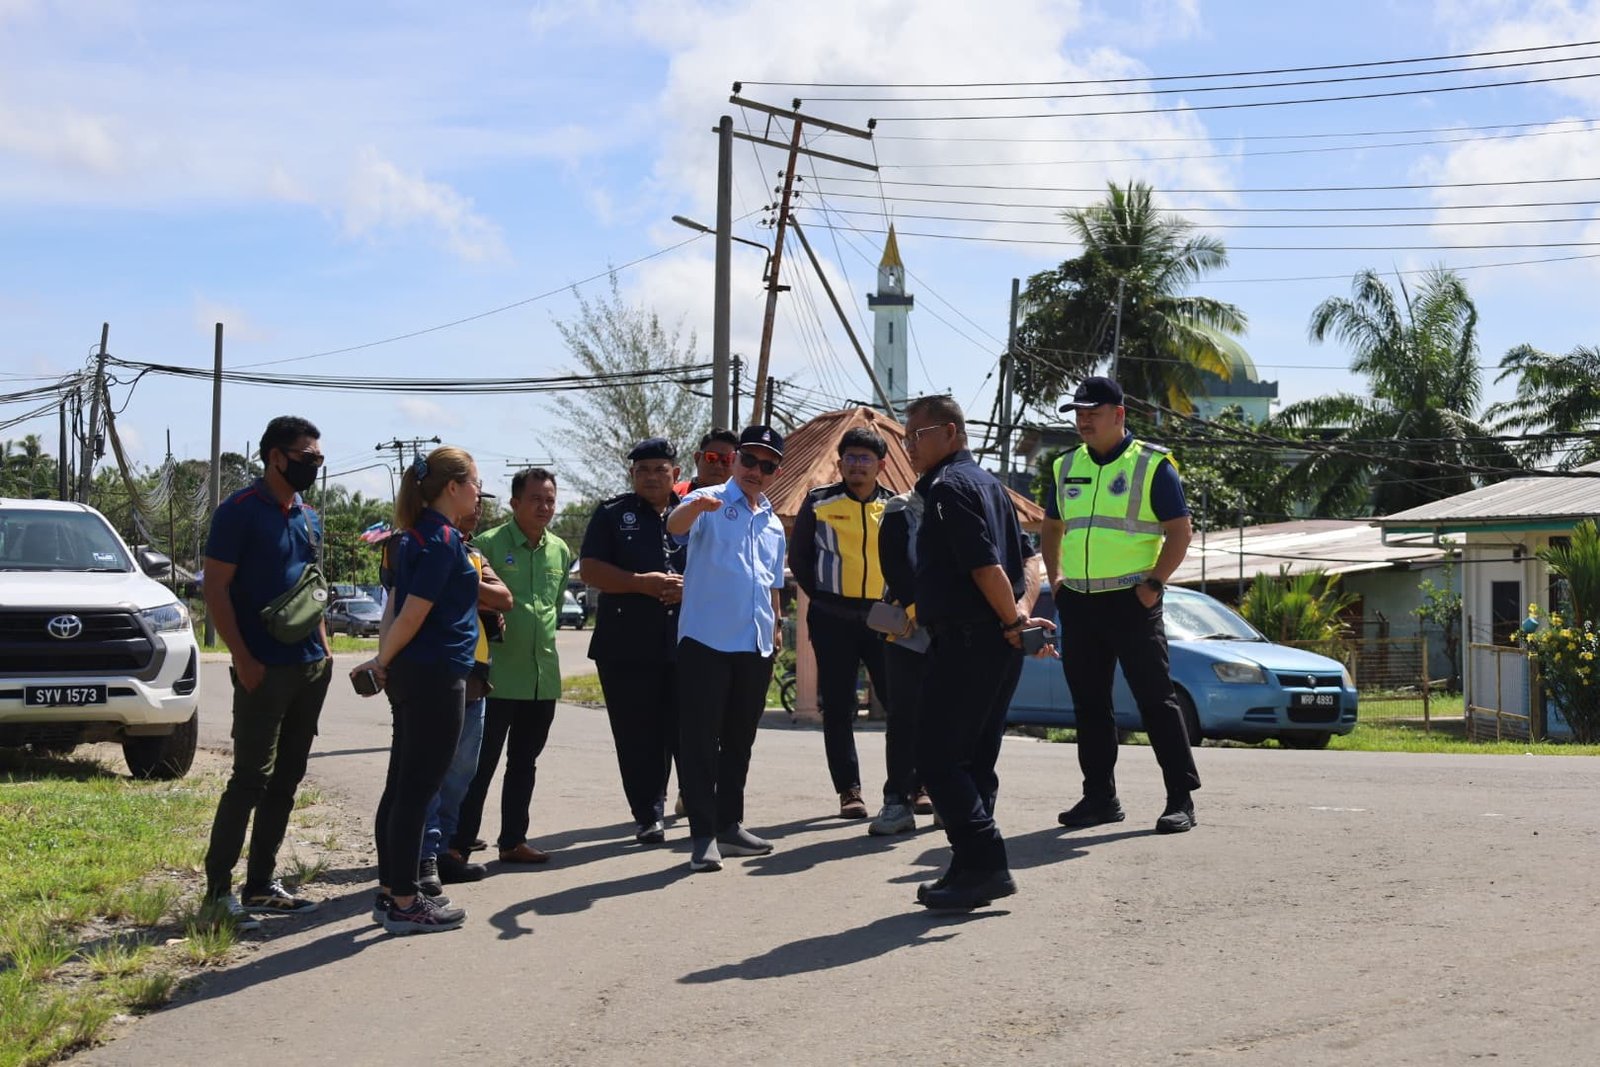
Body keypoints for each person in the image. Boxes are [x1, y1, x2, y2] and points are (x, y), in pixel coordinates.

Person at [904, 395, 1050, 911]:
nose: (909, 447)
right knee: (974, 758)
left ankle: (986, 862)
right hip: (995, 642)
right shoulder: (990, 486)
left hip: (969, 641)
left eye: (916, 436)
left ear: (950, 433)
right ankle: (969, 867)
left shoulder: (949, 488)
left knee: (937, 758)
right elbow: (1029, 562)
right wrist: (1019, 616)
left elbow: (985, 566)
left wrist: (1013, 618)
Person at [1042, 376, 1201, 834]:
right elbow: (1051, 528)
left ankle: (1180, 798)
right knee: (1089, 705)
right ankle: (1099, 798)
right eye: (1078, 413)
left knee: (1156, 700)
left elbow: (1180, 530)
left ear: (1119, 414)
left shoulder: (1152, 465)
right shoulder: (1064, 465)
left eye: (1092, 412)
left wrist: (1155, 583)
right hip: (1081, 603)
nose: (1083, 420)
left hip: (1133, 602)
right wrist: (1057, 579)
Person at [200, 415, 334, 929]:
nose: (313, 467)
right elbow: (215, 589)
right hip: (261, 668)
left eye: (318, 459)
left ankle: (261, 885)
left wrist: (323, 654)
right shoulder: (237, 513)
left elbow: (312, 589)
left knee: (288, 778)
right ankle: (217, 893)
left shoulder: (308, 516)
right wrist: (242, 657)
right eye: (305, 458)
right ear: (275, 456)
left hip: (307, 666)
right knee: (250, 778)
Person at [357, 446, 482, 934]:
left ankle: (392, 892)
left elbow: (394, 608)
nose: (477, 492)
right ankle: (407, 902)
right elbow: (412, 613)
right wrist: (382, 658)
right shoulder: (443, 539)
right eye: (473, 483)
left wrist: (385, 659)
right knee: (417, 790)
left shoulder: (409, 538)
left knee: (402, 787)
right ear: (452, 487)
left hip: (415, 673)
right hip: (436, 676)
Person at [667, 424, 787, 873]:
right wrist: (695, 505)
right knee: (700, 740)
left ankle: (729, 825)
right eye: (750, 460)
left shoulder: (773, 520)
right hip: (706, 640)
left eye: (767, 465)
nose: (757, 471)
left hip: (754, 645)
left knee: (740, 740)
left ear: (776, 471)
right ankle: (702, 835)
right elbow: (674, 527)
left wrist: (775, 628)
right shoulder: (708, 500)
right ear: (735, 460)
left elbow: (774, 582)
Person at [453, 467, 571, 866]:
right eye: (535, 498)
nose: (544, 506)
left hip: (542, 678)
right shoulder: (486, 544)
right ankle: (460, 842)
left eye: (550, 499)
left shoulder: (559, 549)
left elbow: (552, 611)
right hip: (496, 678)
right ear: (515, 502)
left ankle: (513, 841)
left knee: (525, 763)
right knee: (479, 765)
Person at [579, 438, 688, 844]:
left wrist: (687, 589)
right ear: (632, 475)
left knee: (684, 728)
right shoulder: (612, 514)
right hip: (625, 644)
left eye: (660, 469)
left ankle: (695, 799)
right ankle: (647, 812)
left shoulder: (694, 515)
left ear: (676, 474)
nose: (652, 477)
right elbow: (589, 568)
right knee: (636, 733)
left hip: (685, 641)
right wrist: (639, 584)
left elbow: (717, 569)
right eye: (643, 470)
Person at [789, 427, 893, 820]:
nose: (856, 465)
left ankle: (910, 785)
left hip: (885, 615)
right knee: (837, 707)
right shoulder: (818, 502)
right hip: (833, 615)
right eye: (850, 457)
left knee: (901, 703)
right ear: (840, 463)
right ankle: (849, 791)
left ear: (881, 465)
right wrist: (825, 598)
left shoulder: (898, 506)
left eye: (865, 458)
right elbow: (799, 558)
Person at [417, 488, 513, 888]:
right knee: (426, 776)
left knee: (460, 774)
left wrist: (459, 581)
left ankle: (445, 853)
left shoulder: (471, 553)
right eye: (474, 495)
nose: (479, 507)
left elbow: (503, 597)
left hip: (474, 678)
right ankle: (419, 860)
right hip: (432, 676)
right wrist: (466, 586)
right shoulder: (417, 544)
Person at [672, 427, 738, 497]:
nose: (718, 466)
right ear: (697, 459)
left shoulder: (745, 503)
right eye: (711, 457)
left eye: (726, 460)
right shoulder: (674, 495)